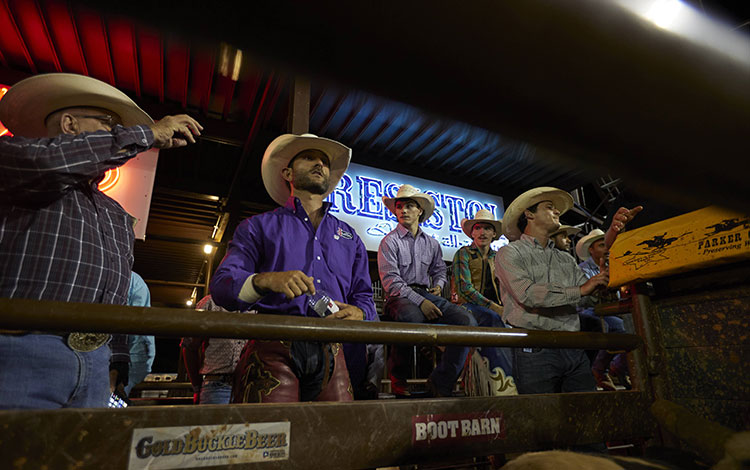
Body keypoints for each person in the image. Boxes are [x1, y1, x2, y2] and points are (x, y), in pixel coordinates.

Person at [0, 73, 202, 409]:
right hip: (19, 350)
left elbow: (117, 298)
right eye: (109, 123)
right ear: (69, 124)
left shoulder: (117, 215)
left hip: (95, 362)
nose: (118, 135)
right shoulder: (13, 159)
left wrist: (115, 365)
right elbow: (46, 162)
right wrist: (147, 133)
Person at [209, 133, 376, 403]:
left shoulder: (350, 237)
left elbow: (364, 297)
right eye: (309, 157)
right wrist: (263, 280)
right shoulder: (257, 227)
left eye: (323, 161)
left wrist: (359, 312)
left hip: (334, 348)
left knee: (334, 440)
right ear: (287, 172)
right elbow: (221, 285)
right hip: (274, 342)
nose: (319, 164)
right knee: (268, 439)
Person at [494, 186, 641, 394]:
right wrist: (582, 290)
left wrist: (604, 276)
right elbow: (526, 293)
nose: (556, 212)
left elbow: (589, 297)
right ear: (529, 214)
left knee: (584, 415)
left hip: (572, 348)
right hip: (535, 350)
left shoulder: (566, 258)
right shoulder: (508, 253)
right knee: (543, 417)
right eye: (549, 207)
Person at [378, 184, 477, 397]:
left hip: (426, 293)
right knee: (410, 316)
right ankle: (399, 379)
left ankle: (442, 380)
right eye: (399, 206)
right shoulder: (389, 241)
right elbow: (391, 283)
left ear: (420, 211)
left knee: (467, 320)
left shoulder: (432, 243)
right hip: (398, 297)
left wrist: (439, 286)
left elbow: (440, 270)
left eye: (409, 206)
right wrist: (421, 301)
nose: (403, 210)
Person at [452, 209, 516, 395]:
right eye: (478, 228)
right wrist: (495, 308)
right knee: (492, 319)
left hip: (495, 308)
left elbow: (507, 287)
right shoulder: (463, 254)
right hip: (466, 306)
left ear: (494, 234)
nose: (482, 232)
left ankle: (514, 377)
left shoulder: (499, 257)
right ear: (472, 232)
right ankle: (503, 380)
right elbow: (464, 289)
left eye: (487, 228)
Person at [576, 229, 630, 390]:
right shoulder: (582, 269)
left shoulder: (614, 264)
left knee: (633, 324)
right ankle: (602, 369)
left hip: (609, 309)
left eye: (606, 244)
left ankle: (617, 367)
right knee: (619, 328)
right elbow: (586, 298)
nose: (606, 248)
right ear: (590, 250)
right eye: (601, 245)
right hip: (589, 309)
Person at [181, 295, 249, 404]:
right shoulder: (210, 302)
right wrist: (197, 387)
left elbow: (189, 347)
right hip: (218, 384)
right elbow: (189, 346)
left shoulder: (257, 304)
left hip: (247, 385)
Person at [123, 272, 156, 397]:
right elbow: (142, 340)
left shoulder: (134, 281)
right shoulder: (134, 281)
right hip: (112, 372)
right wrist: (128, 381)